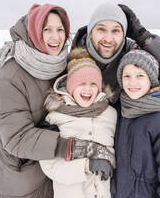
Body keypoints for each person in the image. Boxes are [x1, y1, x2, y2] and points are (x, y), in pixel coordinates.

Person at [0, 4, 114, 198]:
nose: (55, 37)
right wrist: (78, 148)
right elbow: (16, 137)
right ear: (34, 32)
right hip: (12, 179)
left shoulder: (58, 65)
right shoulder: (12, 75)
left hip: (47, 173)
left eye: (60, 30)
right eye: (47, 29)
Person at [71, 3, 160, 104]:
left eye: (116, 31)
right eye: (101, 29)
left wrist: (143, 37)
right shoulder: (72, 60)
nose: (108, 39)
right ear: (91, 32)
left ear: (124, 34)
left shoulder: (133, 55)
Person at [39, 47, 117, 198]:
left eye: (93, 84)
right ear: (70, 86)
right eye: (81, 83)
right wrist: (87, 166)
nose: (88, 89)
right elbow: (49, 166)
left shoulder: (110, 114)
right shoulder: (55, 118)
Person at [111, 49, 160, 198]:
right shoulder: (118, 113)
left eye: (140, 75)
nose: (132, 82)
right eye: (127, 76)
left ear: (151, 79)